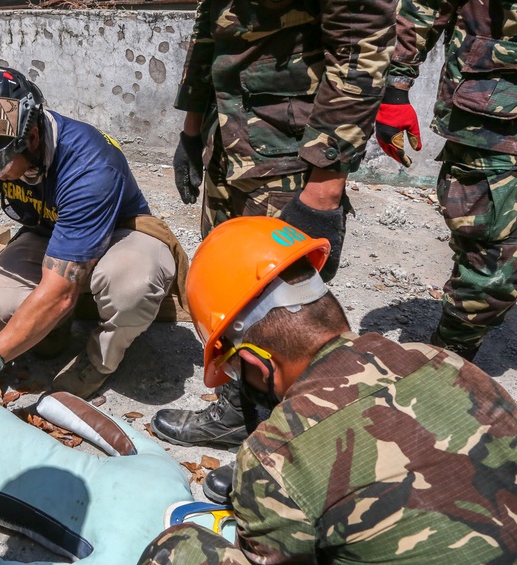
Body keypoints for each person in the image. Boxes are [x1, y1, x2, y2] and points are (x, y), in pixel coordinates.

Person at [139, 216, 517, 564]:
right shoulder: (442, 361)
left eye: (233, 369)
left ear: (258, 364)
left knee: (179, 548)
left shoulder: (273, 457)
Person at [155, 0, 401, 458]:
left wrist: (325, 188)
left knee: (287, 312)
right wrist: (191, 132)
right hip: (227, 141)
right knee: (234, 298)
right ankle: (239, 415)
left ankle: (296, 445)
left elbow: (360, 46)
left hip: (290, 155)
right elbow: (209, 35)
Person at [0, 67, 186, 405]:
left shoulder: (90, 168)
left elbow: (60, 293)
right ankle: (53, 327)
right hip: (52, 232)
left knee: (131, 288)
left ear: (33, 140)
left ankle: (100, 359)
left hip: (121, 233)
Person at [375, 0, 517, 362]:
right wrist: (396, 89)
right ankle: (445, 363)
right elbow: (423, 6)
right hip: (496, 119)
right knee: (496, 268)